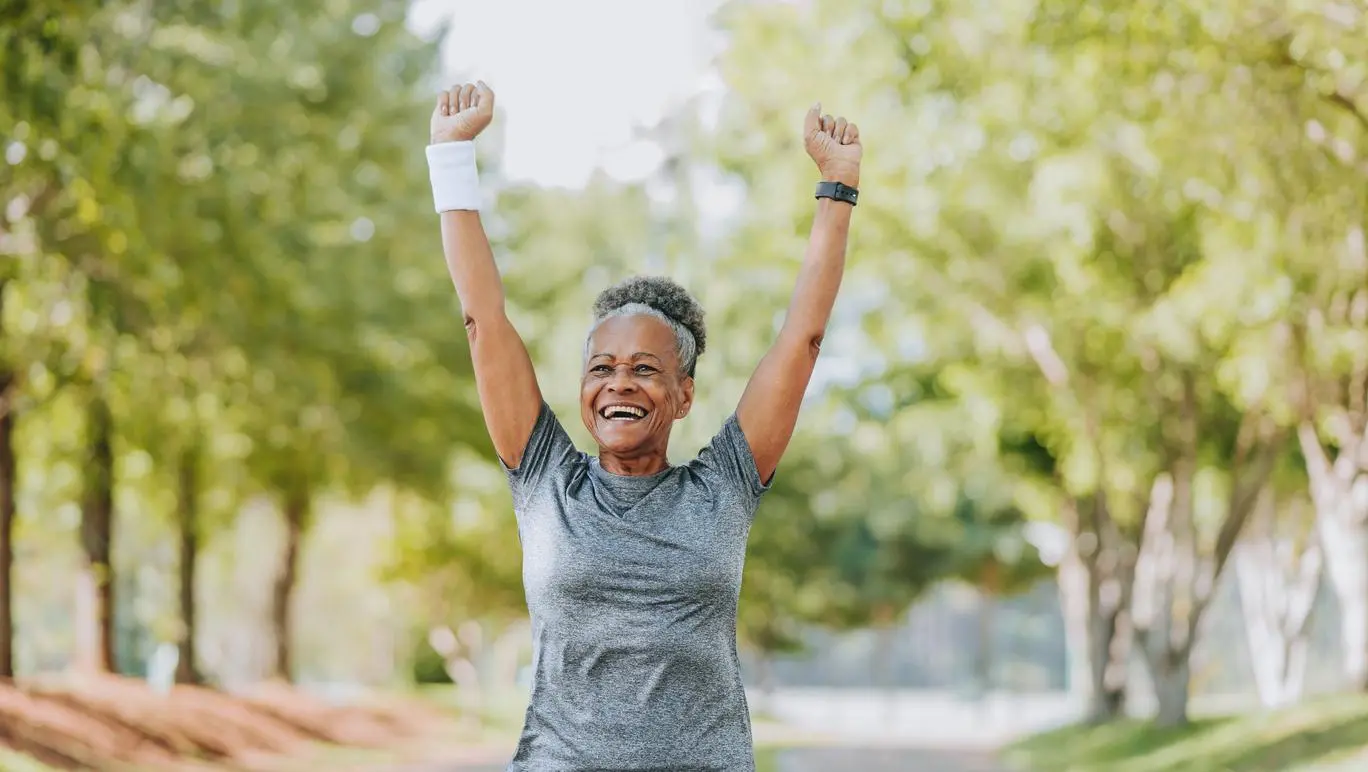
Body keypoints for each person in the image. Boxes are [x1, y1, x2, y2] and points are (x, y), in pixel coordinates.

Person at [425, 80, 862, 772]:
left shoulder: (725, 483)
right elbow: (483, 322)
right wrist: (451, 158)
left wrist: (836, 191)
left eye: (644, 369)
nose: (618, 383)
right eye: (601, 368)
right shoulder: (545, 481)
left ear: (684, 395)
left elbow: (801, 342)